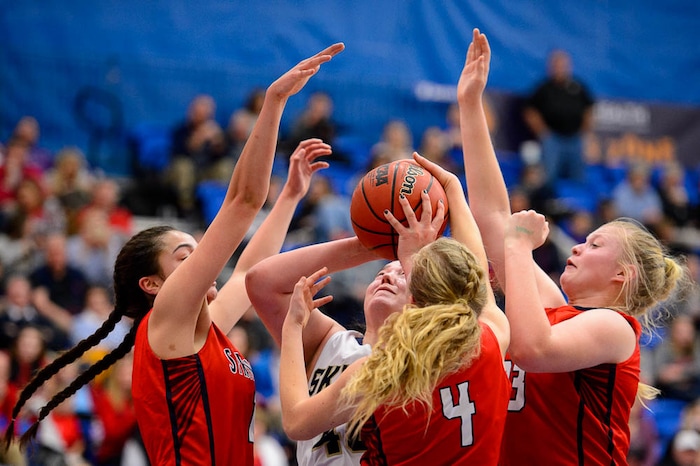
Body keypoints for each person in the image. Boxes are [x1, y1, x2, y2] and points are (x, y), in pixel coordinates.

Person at [1, 43, 345, 466]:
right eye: (187, 257)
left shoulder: (203, 331)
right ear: (154, 285)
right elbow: (242, 201)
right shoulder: (165, 323)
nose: (203, 263)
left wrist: (290, 197)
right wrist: (274, 103)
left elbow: (249, 274)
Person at [459, 28, 688, 465]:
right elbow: (491, 217)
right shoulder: (550, 307)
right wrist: (471, 106)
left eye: (594, 243)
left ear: (623, 274)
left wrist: (520, 249)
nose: (578, 247)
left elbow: (532, 348)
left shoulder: (616, 328)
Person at [278, 167, 510, 464]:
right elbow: (478, 278)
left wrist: (293, 325)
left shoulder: (385, 370)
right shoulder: (490, 337)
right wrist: (453, 192)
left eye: (403, 274)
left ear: (412, 300)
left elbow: (296, 422)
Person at [522, 48, 594, 186]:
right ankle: (550, 204)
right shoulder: (544, 89)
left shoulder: (578, 87)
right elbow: (529, 111)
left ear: (569, 67)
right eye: (556, 65)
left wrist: (584, 131)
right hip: (553, 139)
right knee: (549, 175)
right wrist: (543, 131)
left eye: (563, 65)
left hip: (574, 138)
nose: (560, 69)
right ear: (551, 68)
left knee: (578, 176)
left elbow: (589, 108)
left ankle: (574, 203)